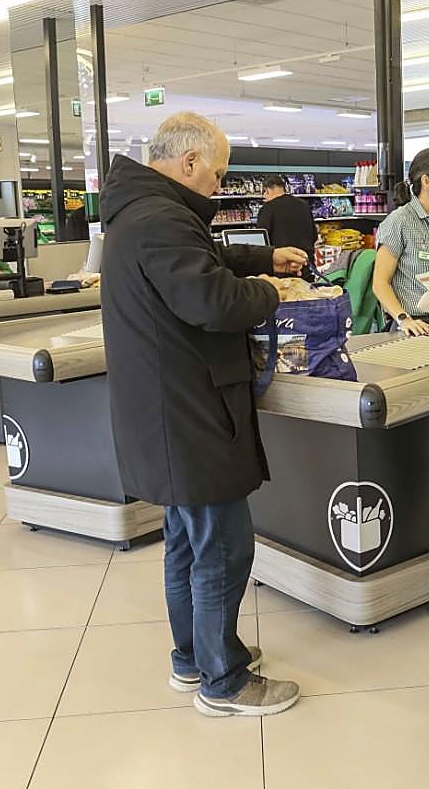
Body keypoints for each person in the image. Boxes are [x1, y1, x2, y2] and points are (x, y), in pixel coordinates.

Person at [98, 112, 308, 718]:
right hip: (188, 413)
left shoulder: (140, 214)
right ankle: (225, 681)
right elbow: (211, 299)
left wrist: (263, 259)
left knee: (186, 543)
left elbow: (199, 263)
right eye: (216, 175)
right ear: (188, 163)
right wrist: (275, 292)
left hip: (163, 413)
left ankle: (193, 657)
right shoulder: (162, 219)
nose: (219, 187)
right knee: (222, 543)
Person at [372, 147, 429, 335]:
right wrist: (404, 319)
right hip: (412, 327)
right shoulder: (399, 222)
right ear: (426, 181)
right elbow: (380, 284)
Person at [256, 176, 318, 268]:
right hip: (305, 263)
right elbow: (314, 235)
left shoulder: (267, 208)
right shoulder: (303, 205)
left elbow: (262, 241)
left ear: (267, 190)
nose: (264, 197)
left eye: (264, 193)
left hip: (283, 267)